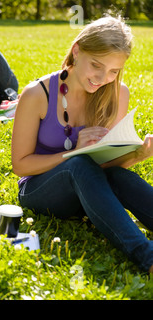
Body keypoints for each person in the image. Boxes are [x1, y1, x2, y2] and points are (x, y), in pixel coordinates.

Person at [11, 15, 153, 273]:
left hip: (91, 190)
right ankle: (148, 257)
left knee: (117, 175)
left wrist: (137, 155)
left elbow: (106, 164)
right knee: (78, 163)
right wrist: (73, 152)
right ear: (77, 51)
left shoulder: (118, 93)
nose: (103, 78)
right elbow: (20, 165)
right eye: (96, 65)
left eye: (113, 71)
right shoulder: (37, 94)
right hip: (41, 191)